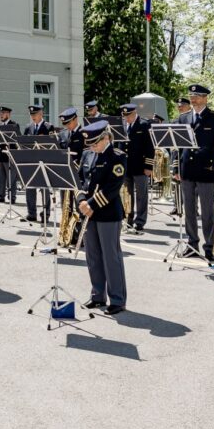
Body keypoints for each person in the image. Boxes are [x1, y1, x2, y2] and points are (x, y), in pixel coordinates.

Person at [175, 84, 214, 261]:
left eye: (197, 96)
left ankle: (209, 247)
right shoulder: (183, 118)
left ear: (205, 98)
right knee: (188, 210)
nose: (193, 99)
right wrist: (175, 168)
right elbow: (177, 147)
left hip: (206, 170)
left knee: (207, 212)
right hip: (187, 171)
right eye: (191, 95)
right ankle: (191, 244)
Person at [76, 120, 128, 316]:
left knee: (110, 257)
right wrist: (81, 200)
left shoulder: (117, 156)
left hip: (107, 213)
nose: (93, 147)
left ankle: (117, 299)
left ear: (106, 137)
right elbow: (80, 179)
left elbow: (113, 187)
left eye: (96, 143)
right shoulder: (88, 154)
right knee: (93, 257)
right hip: (88, 212)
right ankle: (98, 296)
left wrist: (90, 204)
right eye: (90, 144)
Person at [120, 103, 154, 232]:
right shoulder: (122, 125)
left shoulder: (145, 124)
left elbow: (150, 147)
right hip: (126, 166)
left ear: (134, 113)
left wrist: (148, 166)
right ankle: (128, 219)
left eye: (128, 116)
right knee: (127, 195)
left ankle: (140, 221)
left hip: (140, 166)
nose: (126, 119)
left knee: (141, 195)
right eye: (125, 116)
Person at [22, 105, 52, 222]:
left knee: (44, 189)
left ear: (41, 114)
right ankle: (31, 213)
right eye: (31, 115)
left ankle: (46, 214)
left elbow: (52, 145)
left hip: (44, 162)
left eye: (35, 114)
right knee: (30, 187)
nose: (33, 117)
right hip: (31, 162)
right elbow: (23, 144)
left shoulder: (49, 127)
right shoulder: (28, 127)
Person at [0, 106, 19, 204]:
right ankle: (0, 196)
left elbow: (17, 140)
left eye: (3, 113)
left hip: (9, 155)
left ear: (8, 114)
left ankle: (12, 196)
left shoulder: (14, 125)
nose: (1, 115)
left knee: (11, 178)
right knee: (1, 178)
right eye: (0, 113)